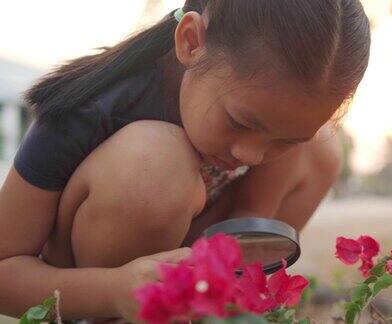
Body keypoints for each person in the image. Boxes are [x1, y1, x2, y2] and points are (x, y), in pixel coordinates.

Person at [0, 0, 370, 322]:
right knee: (154, 163)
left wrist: (240, 264)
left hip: (189, 259)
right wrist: (112, 291)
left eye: (284, 140)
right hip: (90, 283)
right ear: (191, 41)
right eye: (240, 122)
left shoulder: (271, 119)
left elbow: (250, 223)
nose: (251, 155)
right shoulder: (90, 109)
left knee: (321, 149)